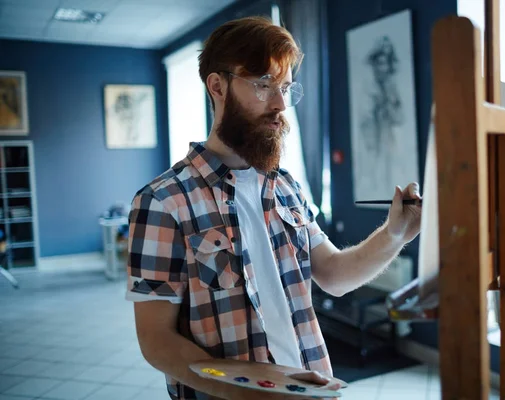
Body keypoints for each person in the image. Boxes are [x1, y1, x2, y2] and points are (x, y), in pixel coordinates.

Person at [125, 16, 422, 400]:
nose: (281, 104)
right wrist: (251, 392)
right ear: (217, 86)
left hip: (312, 390)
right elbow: (156, 340)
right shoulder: (162, 202)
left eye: (285, 87)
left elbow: (334, 275)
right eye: (264, 85)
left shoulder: (286, 187)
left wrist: (395, 233)